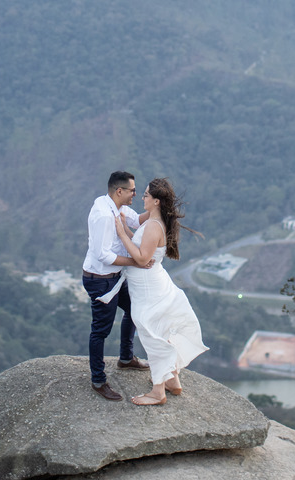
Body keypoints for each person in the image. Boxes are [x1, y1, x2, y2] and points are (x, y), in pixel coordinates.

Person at [113, 177, 208, 406]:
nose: (142, 197)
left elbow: (142, 257)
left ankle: (158, 391)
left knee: (151, 334)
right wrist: (124, 226)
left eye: (145, 195)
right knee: (161, 331)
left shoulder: (154, 226)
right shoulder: (153, 222)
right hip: (152, 283)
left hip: (148, 289)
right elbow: (140, 243)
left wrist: (122, 234)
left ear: (156, 201)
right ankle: (172, 380)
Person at [83, 170, 151, 401]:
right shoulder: (103, 214)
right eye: (132, 190)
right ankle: (98, 380)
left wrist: (160, 208)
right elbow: (103, 255)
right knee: (100, 330)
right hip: (100, 280)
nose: (135, 194)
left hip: (115, 276)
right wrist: (137, 261)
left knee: (134, 309)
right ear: (119, 191)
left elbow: (137, 219)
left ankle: (125, 358)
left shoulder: (117, 206)